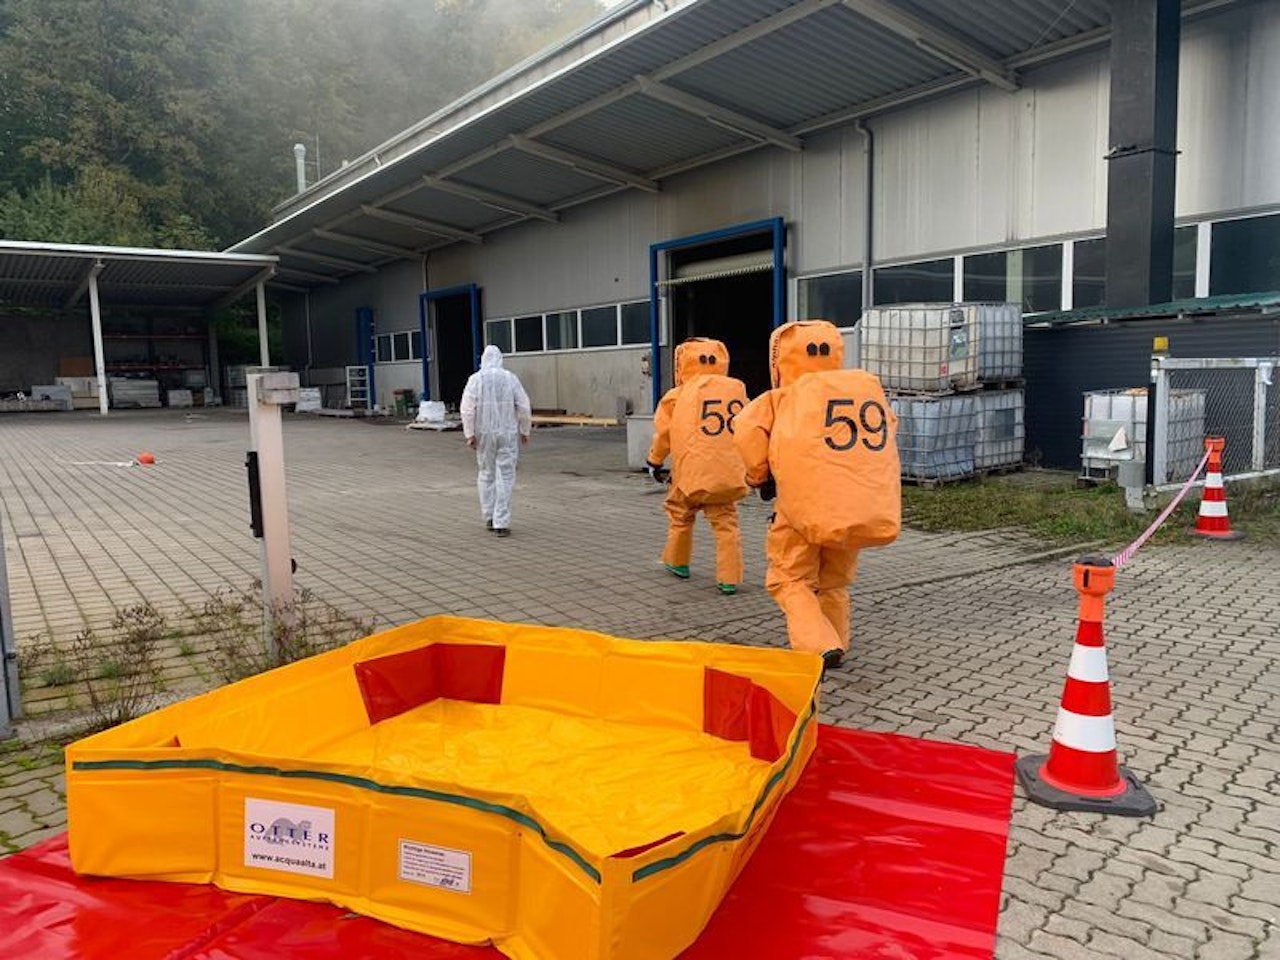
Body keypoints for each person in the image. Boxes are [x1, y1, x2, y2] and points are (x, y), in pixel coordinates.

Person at [734, 320, 901, 671]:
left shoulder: (781, 398)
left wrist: (758, 475)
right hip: (850, 505)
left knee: (789, 578)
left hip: (798, 510)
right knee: (834, 582)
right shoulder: (862, 392)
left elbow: (748, 430)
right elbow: (890, 427)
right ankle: (837, 639)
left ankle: (818, 644)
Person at [645, 337, 749, 594]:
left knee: (681, 516)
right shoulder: (736, 392)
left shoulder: (676, 396)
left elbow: (664, 434)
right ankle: (729, 578)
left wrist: (655, 461)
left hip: (688, 474)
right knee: (726, 524)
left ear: (682, 363)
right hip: (725, 474)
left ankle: (678, 562)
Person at [460, 344, 532, 538]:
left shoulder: (475, 380)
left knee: (486, 473)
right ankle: (502, 521)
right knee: (506, 475)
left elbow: (467, 409)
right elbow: (524, 406)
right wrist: (524, 430)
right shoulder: (510, 378)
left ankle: (489, 516)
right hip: (507, 433)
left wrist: (469, 434)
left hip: (484, 434)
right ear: (500, 359)